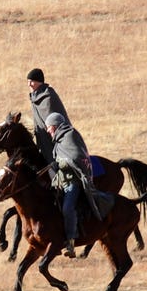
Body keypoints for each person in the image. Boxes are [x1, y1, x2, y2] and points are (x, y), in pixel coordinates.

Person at [45, 112, 99, 258]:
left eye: (49, 128)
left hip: (73, 182)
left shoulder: (69, 136)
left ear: (55, 126)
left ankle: (71, 241)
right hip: (61, 182)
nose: (48, 131)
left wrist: (60, 163)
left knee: (67, 208)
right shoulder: (59, 140)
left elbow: (76, 157)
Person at [27, 68, 70, 164]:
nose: (29, 84)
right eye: (28, 81)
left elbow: (55, 120)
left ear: (39, 81)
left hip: (54, 137)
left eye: (32, 81)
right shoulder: (34, 97)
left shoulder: (48, 96)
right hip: (42, 138)